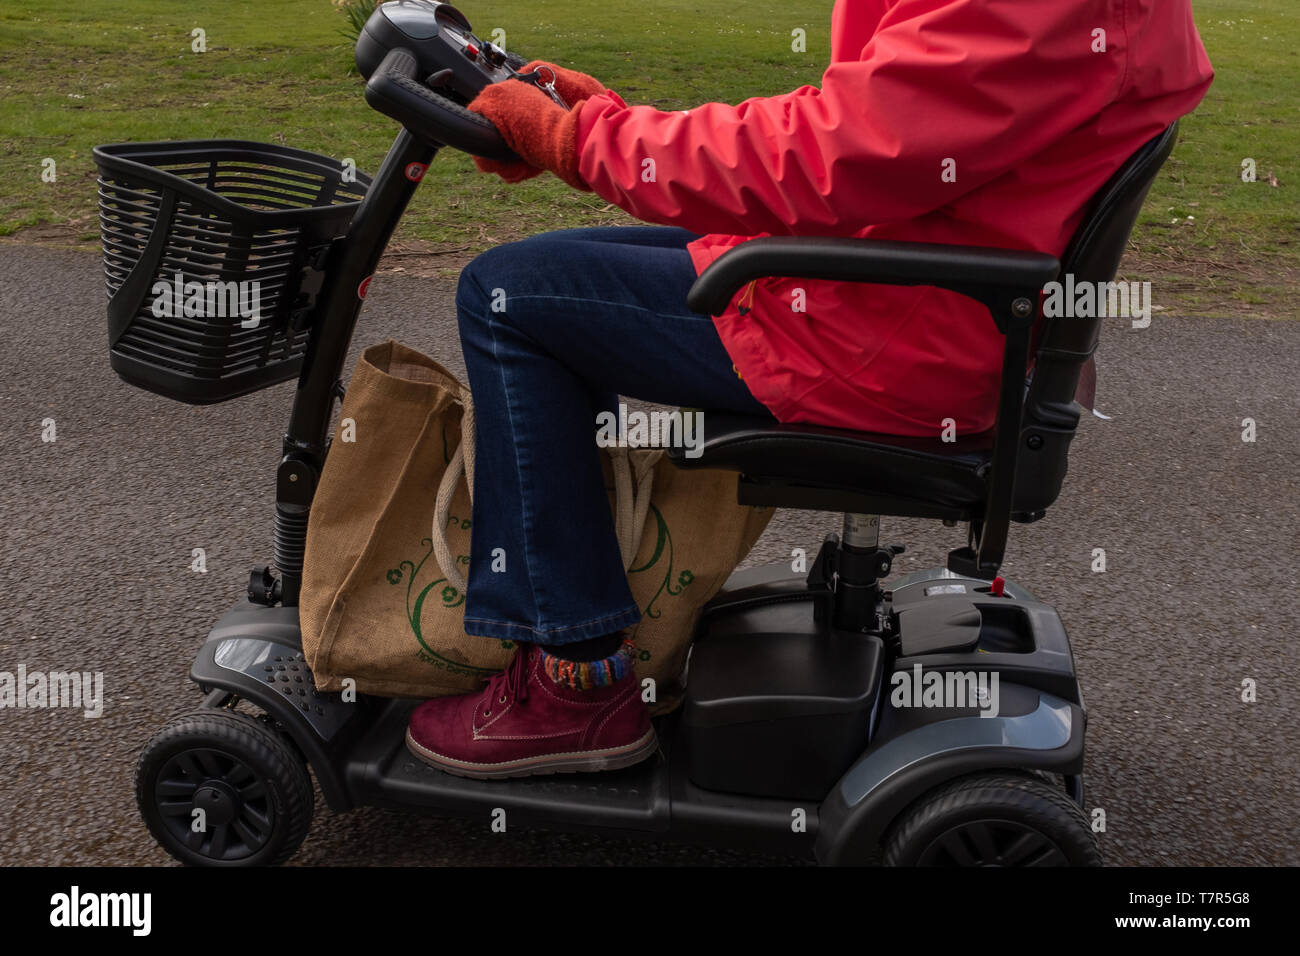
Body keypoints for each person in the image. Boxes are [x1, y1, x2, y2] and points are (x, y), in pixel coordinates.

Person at [405, 0, 1213, 778]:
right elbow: (859, 114)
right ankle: (581, 614)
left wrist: (587, 140)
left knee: (505, 297)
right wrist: (599, 121)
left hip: (892, 329)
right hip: (924, 283)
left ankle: (573, 682)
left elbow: (835, 154)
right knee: (551, 270)